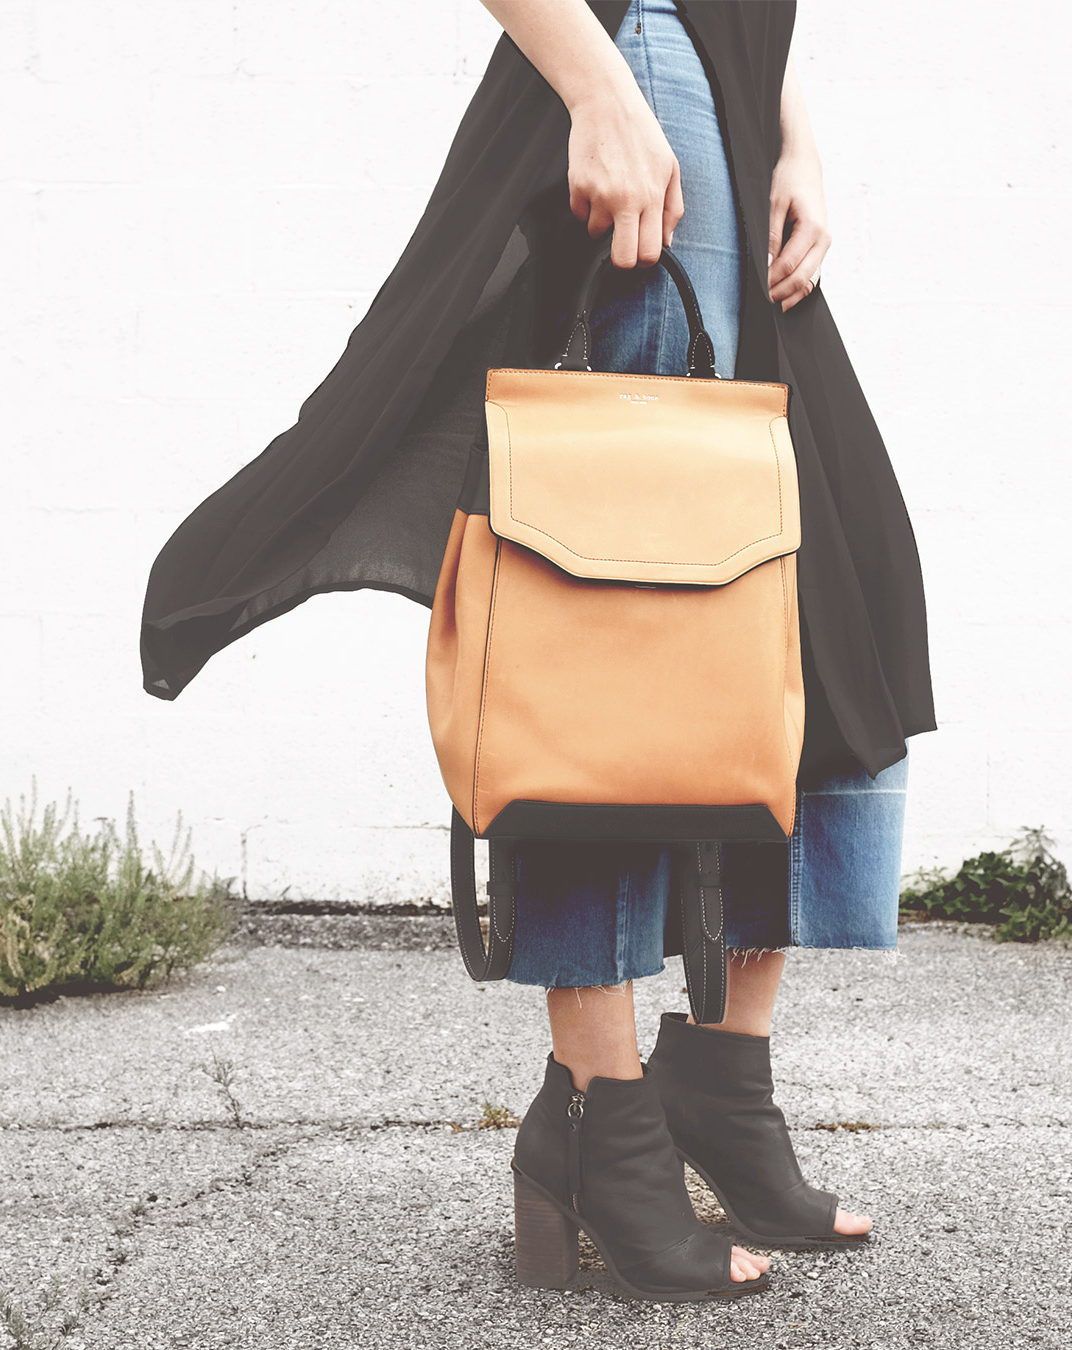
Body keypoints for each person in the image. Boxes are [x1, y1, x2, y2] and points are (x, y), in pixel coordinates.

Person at [142, 0, 937, 1305]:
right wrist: (602, 89)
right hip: (642, 60)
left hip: (736, 84)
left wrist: (791, 124)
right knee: (615, 622)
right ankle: (602, 1116)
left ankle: (718, 1088)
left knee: (821, 592)